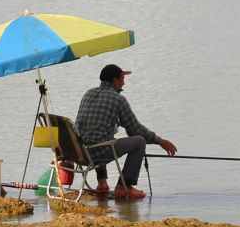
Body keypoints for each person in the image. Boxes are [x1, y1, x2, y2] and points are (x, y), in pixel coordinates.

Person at [74, 63, 176, 199]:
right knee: (139, 141)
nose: (124, 83)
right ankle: (124, 186)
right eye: (122, 78)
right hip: (96, 153)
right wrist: (160, 141)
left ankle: (102, 183)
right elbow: (135, 130)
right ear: (114, 80)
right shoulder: (118, 99)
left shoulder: (88, 93)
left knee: (100, 135)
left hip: (79, 152)